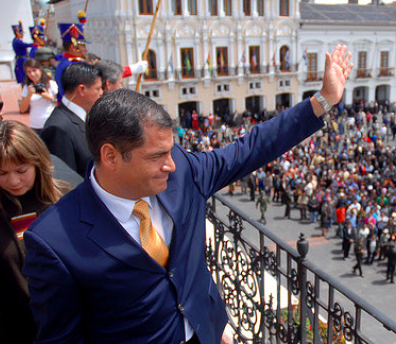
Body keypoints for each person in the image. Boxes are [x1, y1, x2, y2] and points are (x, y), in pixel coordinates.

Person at [23, 45, 353, 343]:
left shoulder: (182, 170)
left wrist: (322, 100)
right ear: (110, 156)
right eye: (156, 156)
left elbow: (249, 149)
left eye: (171, 151)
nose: (171, 165)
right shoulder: (54, 242)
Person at [0, 121, 69, 343]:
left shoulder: (66, 198)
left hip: (68, 325)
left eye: (21, 171)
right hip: (15, 330)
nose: (13, 181)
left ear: (38, 162)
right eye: (1, 173)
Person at [20, 59, 57, 133]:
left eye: (34, 70)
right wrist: (29, 95)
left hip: (51, 123)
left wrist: (48, 97)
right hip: (35, 125)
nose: (32, 74)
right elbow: (22, 109)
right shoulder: (27, 88)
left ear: (40, 70)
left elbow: (59, 104)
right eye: (29, 72)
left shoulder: (51, 84)